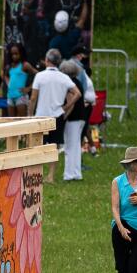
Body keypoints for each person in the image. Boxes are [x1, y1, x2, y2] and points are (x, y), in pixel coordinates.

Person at [29, 50, 78, 178]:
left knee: (37, 146)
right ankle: (50, 175)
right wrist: (66, 106)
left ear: (46, 60)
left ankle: (36, 174)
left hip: (41, 116)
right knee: (54, 146)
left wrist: (29, 115)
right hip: (57, 115)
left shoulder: (39, 76)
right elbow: (77, 93)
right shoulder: (64, 77)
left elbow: (33, 98)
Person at [59, 50, 95, 180]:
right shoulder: (77, 82)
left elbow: (70, 102)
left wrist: (64, 114)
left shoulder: (69, 84)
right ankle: (76, 173)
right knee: (75, 146)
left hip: (73, 118)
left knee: (69, 147)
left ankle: (68, 174)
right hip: (81, 117)